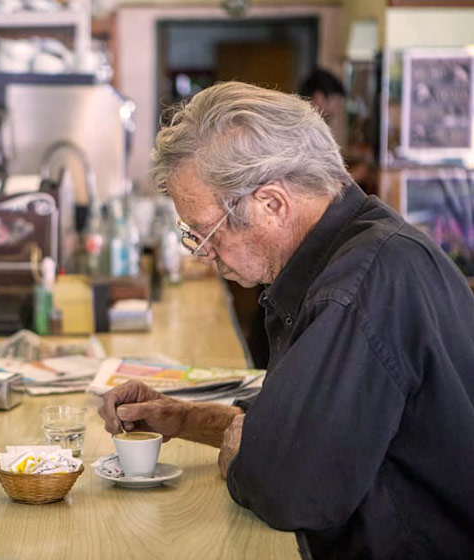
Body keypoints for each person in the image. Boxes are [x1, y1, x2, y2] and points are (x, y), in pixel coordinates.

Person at [99, 82, 474, 559]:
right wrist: (184, 418)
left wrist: (244, 460)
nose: (201, 253)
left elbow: (288, 490)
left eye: (204, 231)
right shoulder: (358, 251)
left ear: (272, 204)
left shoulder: (357, 287)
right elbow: (312, 426)